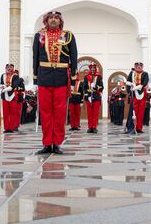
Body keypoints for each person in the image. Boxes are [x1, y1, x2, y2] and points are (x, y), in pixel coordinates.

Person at [32, 10, 78, 155]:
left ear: (60, 21)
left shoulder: (68, 36)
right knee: (45, 111)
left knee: (59, 112)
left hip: (61, 76)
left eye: (56, 18)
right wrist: (35, 78)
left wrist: (72, 80)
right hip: (44, 76)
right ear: (46, 20)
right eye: (50, 18)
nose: (53, 20)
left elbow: (74, 57)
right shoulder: (39, 36)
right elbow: (35, 57)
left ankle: (57, 143)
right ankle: (47, 143)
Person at [126, 62, 149, 134]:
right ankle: (132, 126)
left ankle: (139, 128)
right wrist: (129, 88)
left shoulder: (145, 74)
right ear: (135, 67)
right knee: (133, 111)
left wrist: (137, 87)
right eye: (137, 66)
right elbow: (128, 81)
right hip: (134, 94)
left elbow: (145, 83)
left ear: (142, 67)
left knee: (141, 112)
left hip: (142, 93)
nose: (139, 67)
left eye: (140, 66)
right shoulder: (131, 73)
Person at [83, 63, 103, 133]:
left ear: (95, 68)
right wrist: (87, 95)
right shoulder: (86, 77)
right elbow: (84, 87)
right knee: (89, 112)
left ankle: (94, 127)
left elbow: (101, 87)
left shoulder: (99, 77)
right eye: (91, 68)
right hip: (89, 96)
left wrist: (96, 86)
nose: (93, 69)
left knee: (95, 113)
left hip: (96, 96)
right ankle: (90, 127)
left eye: (94, 68)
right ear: (90, 68)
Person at [0, 63, 20, 133]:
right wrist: (2, 87)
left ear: (13, 68)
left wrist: (5, 89)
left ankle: (11, 128)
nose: (9, 68)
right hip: (4, 95)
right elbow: (1, 83)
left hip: (12, 96)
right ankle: (6, 128)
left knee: (13, 113)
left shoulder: (16, 76)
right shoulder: (3, 75)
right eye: (8, 67)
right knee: (5, 113)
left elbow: (14, 85)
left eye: (10, 67)